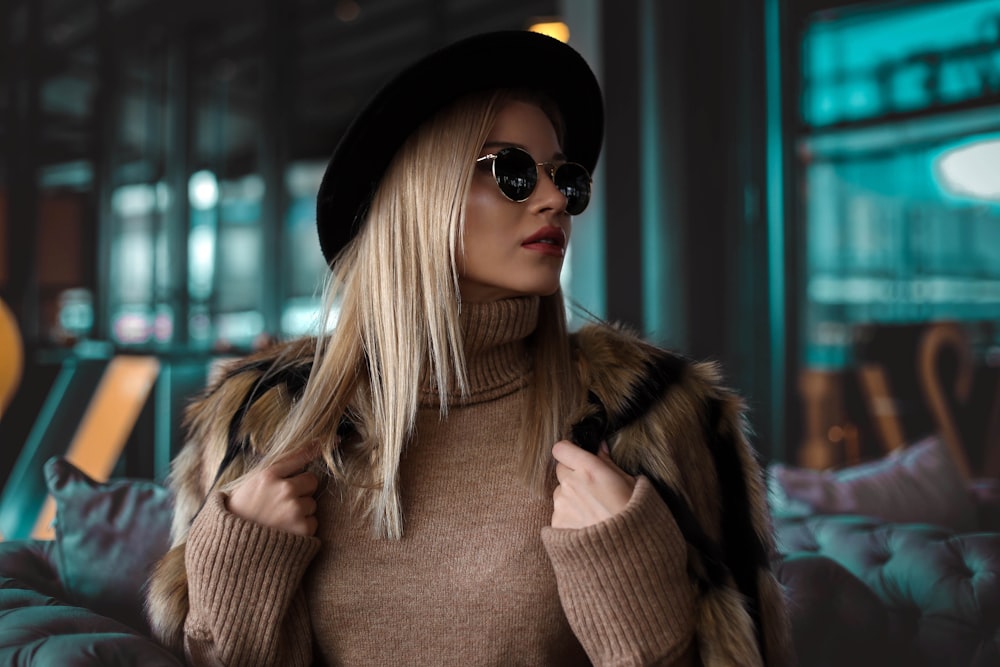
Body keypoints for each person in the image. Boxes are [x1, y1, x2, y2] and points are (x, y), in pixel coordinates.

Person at [147, 30, 792, 666]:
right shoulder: (264, 418)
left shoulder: (653, 417)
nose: (554, 201)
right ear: (420, 195)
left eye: (565, 179)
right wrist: (242, 565)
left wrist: (635, 585)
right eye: (513, 171)